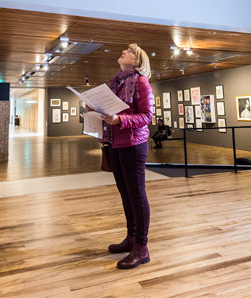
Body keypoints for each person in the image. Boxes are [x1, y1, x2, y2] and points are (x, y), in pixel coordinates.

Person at [101, 43, 153, 269]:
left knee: (136, 194)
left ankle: (141, 247)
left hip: (133, 143)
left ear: (137, 61)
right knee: (125, 193)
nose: (124, 51)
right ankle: (131, 238)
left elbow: (147, 116)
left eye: (130, 51)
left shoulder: (141, 82)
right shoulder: (117, 82)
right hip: (115, 142)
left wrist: (121, 120)